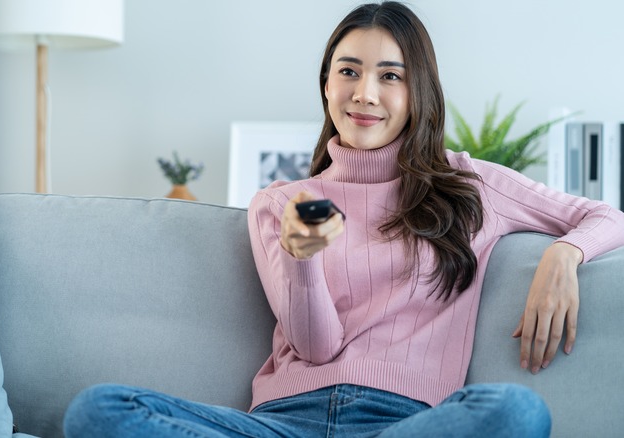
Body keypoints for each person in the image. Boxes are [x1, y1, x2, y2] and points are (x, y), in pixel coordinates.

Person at [63, 2, 624, 437]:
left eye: (390, 76)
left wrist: (563, 253)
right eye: (348, 71)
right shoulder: (281, 203)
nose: (365, 93)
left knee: (514, 411)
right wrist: (302, 260)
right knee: (100, 409)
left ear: (418, 91)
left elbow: (605, 215)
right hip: (282, 420)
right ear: (326, 84)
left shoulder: (469, 184)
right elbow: (314, 348)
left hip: (406, 422)